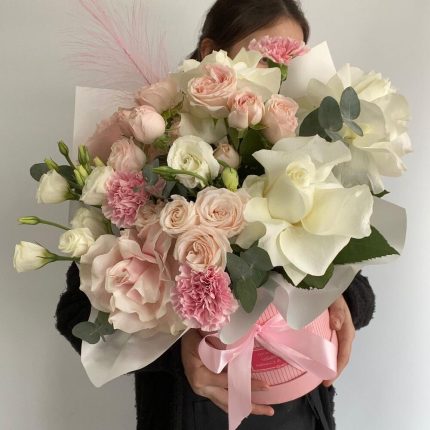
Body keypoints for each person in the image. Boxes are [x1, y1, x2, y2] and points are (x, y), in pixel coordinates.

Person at [56, 1, 376, 429]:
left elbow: (357, 281)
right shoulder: (136, 167)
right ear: (211, 53)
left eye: (293, 61)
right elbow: (75, 313)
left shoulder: (309, 157)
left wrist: (340, 300)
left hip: (300, 409)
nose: (281, 76)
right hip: (189, 411)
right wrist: (179, 352)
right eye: (266, 58)